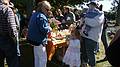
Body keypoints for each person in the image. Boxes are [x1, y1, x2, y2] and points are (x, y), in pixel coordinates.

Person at [27, 1, 52, 67]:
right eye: (47, 9)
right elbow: (44, 30)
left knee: (37, 58)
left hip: (33, 40)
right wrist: (50, 28)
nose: (48, 11)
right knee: (43, 59)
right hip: (39, 41)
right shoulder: (41, 16)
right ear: (43, 8)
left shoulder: (34, 14)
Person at [81, 1, 104, 67]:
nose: (90, 6)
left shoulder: (100, 14)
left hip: (92, 37)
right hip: (84, 35)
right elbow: (83, 22)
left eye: (92, 5)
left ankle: (92, 65)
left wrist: (85, 18)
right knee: (84, 51)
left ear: (96, 6)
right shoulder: (88, 12)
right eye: (90, 5)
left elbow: (94, 23)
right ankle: (85, 64)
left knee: (90, 53)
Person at [0, 0, 20, 67]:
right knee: (13, 63)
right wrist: (14, 38)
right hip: (7, 39)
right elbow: (12, 28)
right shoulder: (7, 10)